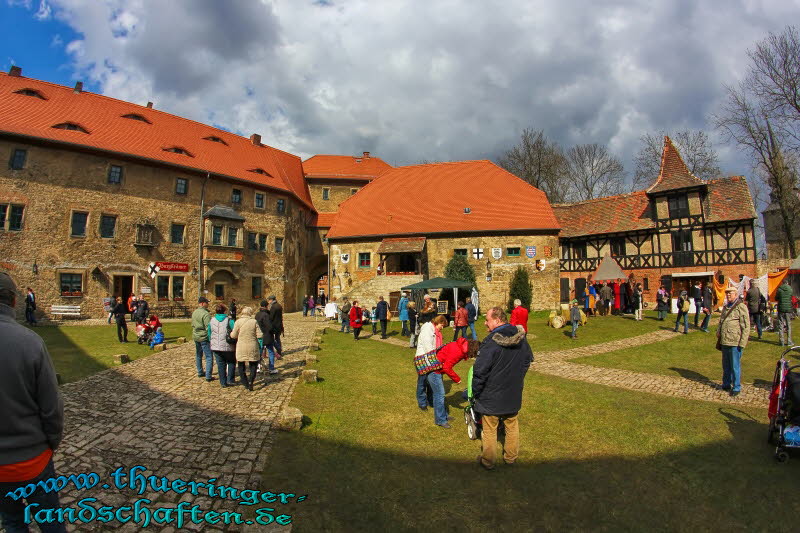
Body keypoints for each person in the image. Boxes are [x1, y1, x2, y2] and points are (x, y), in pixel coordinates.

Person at [0, 272, 66, 533]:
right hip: (33, 459)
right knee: (51, 523)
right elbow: (51, 407)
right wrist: (51, 442)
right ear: (15, 302)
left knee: (13, 522)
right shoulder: (30, 342)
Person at [473, 306, 533, 470]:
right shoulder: (520, 338)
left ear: (498, 320)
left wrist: (476, 392)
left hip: (492, 394)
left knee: (491, 428)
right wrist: (517, 378)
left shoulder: (491, 343)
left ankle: (488, 461)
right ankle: (510, 458)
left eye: (487, 320)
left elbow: (479, 371)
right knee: (511, 424)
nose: (485, 323)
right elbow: (527, 360)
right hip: (511, 392)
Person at [415, 315, 449, 427]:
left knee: (431, 385)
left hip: (431, 360)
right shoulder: (427, 329)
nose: (442, 328)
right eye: (442, 325)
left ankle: (430, 402)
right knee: (422, 382)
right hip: (423, 360)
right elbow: (428, 348)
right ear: (437, 322)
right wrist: (437, 361)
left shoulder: (435, 331)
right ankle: (422, 403)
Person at [717, 287, 750, 397]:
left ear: (735, 294)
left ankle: (736, 386)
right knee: (725, 365)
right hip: (725, 340)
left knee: (735, 366)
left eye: (730, 293)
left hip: (735, 341)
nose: (728, 295)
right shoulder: (726, 307)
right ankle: (726, 383)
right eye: (727, 294)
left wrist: (742, 343)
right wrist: (718, 332)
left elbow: (746, 326)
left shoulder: (741, 307)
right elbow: (721, 321)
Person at [230, 306, 262, 391]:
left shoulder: (238, 322)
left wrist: (231, 334)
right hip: (252, 345)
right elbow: (260, 335)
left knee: (241, 365)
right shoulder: (254, 322)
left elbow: (233, 335)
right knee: (253, 364)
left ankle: (245, 382)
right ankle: (251, 381)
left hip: (241, 345)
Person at [210, 304, 237, 387]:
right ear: (225, 311)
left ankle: (223, 382)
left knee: (220, 364)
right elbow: (234, 331)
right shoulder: (229, 320)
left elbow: (209, 333)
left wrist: (212, 341)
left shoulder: (212, 320)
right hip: (228, 345)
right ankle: (230, 380)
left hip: (216, 346)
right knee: (231, 362)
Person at [192, 296, 214, 381]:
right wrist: (211, 338)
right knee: (209, 356)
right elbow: (208, 327)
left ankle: (200, 371)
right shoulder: (205, 314)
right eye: (206, 303)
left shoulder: (194, 312)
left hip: (196, 336)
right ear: (202, 303)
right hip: (204, 337)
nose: (208, 304)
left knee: (198, 355)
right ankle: (208, 376)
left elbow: (193, 324)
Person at [255, 300, 279, 376]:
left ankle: (258, 367)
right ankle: (271, 368)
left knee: (259, 352)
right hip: (267, 335)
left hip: (259, 335)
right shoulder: (265, 315)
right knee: (271, 351)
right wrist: (273, 331)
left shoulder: (257, 314)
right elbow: (269, 326)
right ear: (266, 306)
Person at [776, 279, 794, 346]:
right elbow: (791, 297)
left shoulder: (779, 289)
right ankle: (789, 341)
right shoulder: (790, 289)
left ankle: (781, 341)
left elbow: (776, 298)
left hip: (781, 308)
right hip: (788, 309)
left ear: (782, 283)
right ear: (787, 283)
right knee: (788, 325)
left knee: (781, 325)